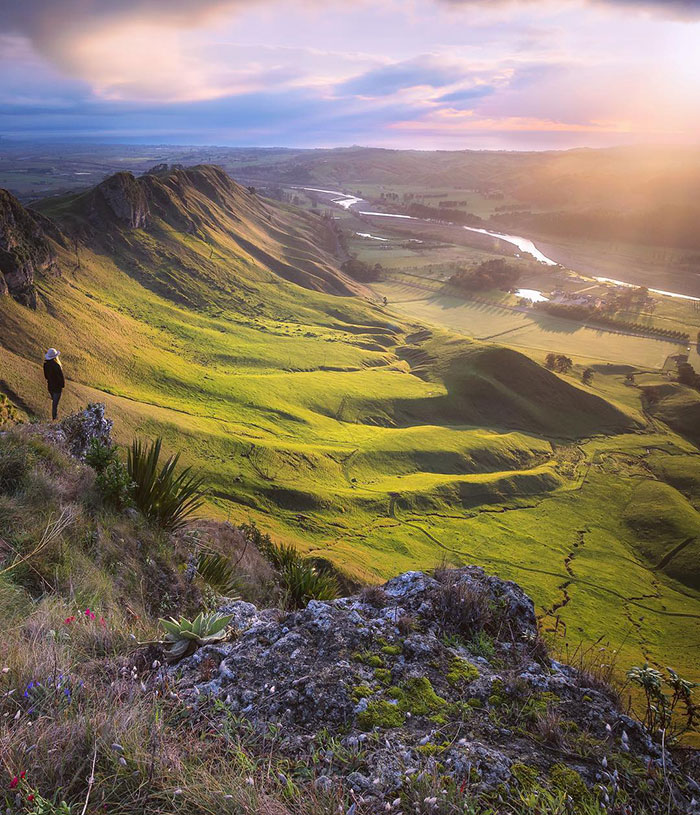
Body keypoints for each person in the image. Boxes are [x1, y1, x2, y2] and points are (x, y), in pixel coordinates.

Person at [43, 348, 65, 420]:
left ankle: (55, 418)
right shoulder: (56, 366)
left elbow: (46, 376)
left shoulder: (46, 365)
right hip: (57, 388)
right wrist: (62, 385)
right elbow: (61, 378)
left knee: (54, 403)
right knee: (55, 405)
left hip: (50, 386)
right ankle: (54, 419)